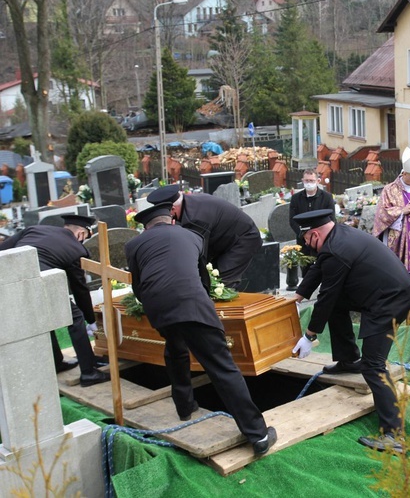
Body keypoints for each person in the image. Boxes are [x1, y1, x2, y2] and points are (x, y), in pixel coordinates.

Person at [125, 203, 277, 455]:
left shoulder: (134, 245)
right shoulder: (192, 235)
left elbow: (138, 286)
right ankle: (258, 435)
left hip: (158, 308)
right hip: (192, 303)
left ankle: (185, 406)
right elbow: (201, 278)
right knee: (222, 367)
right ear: (172, 220)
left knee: (175, 349)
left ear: (146, 227)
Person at [292, 209, 410, 453]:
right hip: (380, 294)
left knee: (374, 366)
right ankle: (349, 360)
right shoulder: (337, 235)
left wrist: (310, 335)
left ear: (315, 234)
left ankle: (394, 435)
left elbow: (326, 296)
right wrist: (296, 298)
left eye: (306, 240)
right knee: (338, 305)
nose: (307, 245)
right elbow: (318, 268)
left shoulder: (337, 250)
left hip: (389, 301)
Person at [0, 214, 110, 386]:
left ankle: (57, 362)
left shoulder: (35, 229)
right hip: (40, 280)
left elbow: (4, 248)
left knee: (46, 318)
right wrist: (90, 318)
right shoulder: (77, 249)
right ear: (81, 234)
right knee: (76, 318)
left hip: (9, 281)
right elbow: (79, 289)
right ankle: (88, 373)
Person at [147, 185, 262, 289]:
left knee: (220, 283)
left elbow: (196, 255)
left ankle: (224, 312)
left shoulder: (196, 218)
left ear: (172, 209)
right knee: (210, 280)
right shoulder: (184, 205)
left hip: (243, 240)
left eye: (164, 213)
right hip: (222, 241)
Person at [289, 169, 336, 276]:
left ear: (318, 181)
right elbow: (292, 220)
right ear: (302, 181)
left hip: (322, 240)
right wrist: (304, 235)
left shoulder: (327, 197)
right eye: (306, 180)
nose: (309, 183)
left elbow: (331, 219)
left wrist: (320, 236)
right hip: (303, 240)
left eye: (311, 180)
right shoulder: (296, 198)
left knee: (324, 268)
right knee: (306, 270)